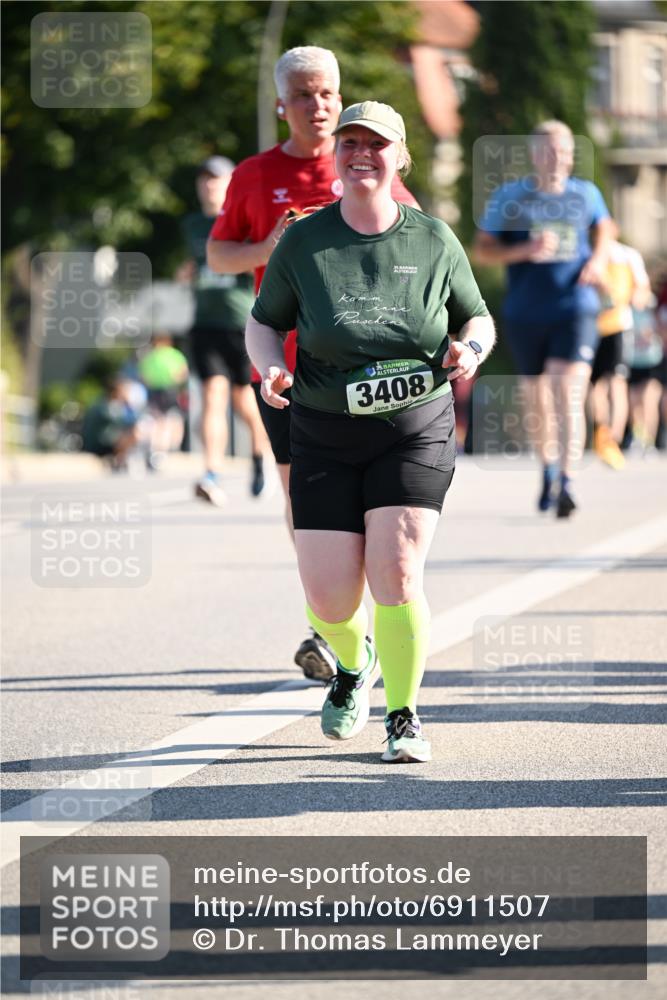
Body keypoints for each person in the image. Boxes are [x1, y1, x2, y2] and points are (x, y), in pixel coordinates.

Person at [245, 101, 495, 763]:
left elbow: (477, 318)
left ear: (399, 156)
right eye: (349, 141)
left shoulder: (433, 238)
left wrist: (469, 351)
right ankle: (354, 667)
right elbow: (262, 318)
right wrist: (270, 366)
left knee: (397, 569)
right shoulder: (303, 240)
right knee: (328, 594)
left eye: (375, 143)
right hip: (323, 427)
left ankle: (404, 716)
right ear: (334, 156)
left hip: (412, 426)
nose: (361, 153)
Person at [207, 45, 420, 681]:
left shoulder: (362, 161)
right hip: (286, 368)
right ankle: (326, 623)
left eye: (326, 92)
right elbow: (219, 256)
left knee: (370, 503)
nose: (318, 104)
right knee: (304, 498)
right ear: (283, 103)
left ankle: (362, 621)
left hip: (363, 367)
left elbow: (412, 231)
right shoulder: (254, 175)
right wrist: (266, 246)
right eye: (303, 94)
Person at [474, 120, 614, 517]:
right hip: (526, 312)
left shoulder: (586, 194)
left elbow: (605, 228)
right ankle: (549, 468)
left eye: (566, 153)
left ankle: (568, 479)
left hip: (576, 308)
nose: (559, 160)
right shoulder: (511, 198)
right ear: (534, 155)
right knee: (537, 401)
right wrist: (525, 251)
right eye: (551, 152)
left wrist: (599, 259)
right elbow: (483, 250)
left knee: (566, 389)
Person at [181, 157, 270, 506]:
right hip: (205, 323)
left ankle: (261, 457)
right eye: (203, 179)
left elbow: (262, 259)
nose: (208, 186)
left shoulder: (245, 220)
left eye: (215, 179)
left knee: (245, 403)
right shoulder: (191, 225)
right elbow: (196, 262)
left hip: (241, 322)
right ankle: (211, 473)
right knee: (212, 395)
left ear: (230, 183)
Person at [591, 223, 651, 470]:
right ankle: (602, 435)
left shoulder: (627, 255)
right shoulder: (589, 253)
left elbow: (643, 290)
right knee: (594, 386)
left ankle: (615, 437)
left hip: (619, 326)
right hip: (591, 327)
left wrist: (633, 299)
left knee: (616, 382)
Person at [138, 332, 189, 469]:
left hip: (155, 390)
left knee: (157, 419)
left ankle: (155, 450)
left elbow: (144, 376)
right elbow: (183, 373)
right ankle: (161, 450)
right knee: (167, 420)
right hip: (169, 389)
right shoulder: (173, 354)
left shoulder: (150, 356)